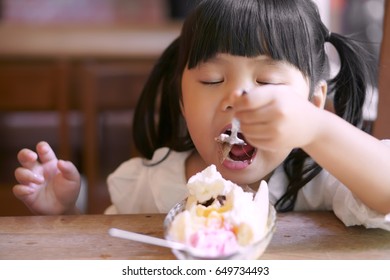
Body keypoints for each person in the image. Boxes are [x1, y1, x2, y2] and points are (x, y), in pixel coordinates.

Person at [13, 0, 390, 230]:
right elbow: (110, 252)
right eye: (212, 80)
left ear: (313, 101)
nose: (237, 98)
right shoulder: (149, 184)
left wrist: (316, 129)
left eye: (267, 80)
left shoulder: (320, 181)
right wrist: (63, 213)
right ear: (181, 99)